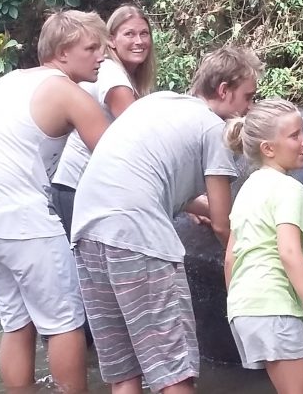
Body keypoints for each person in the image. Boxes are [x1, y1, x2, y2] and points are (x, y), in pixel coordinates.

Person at [70, 45, 263, 394]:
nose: (249, 108)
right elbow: (224, 224)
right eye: (248, 97)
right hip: (137, 237)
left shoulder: (157, 102)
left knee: (124, 373)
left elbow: (151, 173)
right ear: (224, 90)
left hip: (86, 232)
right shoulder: (213, 129)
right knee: (174, 371)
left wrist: (195, 207)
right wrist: (248, 268)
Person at [0, 10, 110, 393]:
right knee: (66, 323)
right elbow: (121, 163)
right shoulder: (68, 93)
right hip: (21, 221)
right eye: (91, 48)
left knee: (17, 322)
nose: (102, 56)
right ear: (62, 52)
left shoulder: (9, 81)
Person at [223, 99, 303, 394]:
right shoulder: (289, 189)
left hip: (244, 307)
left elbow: (230, 258)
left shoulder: (247, 188)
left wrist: (241, 304)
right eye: (294, 136)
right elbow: (289, 252)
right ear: (268, 148)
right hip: (272, 306)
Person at [51, 4, 156, 236]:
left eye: (144, 33)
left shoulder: (127, 77)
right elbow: (141, 140)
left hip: (85, 188)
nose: (139, 41)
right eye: (129, 34)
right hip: (77, 188)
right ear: (111, 40)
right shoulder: (110, 73)